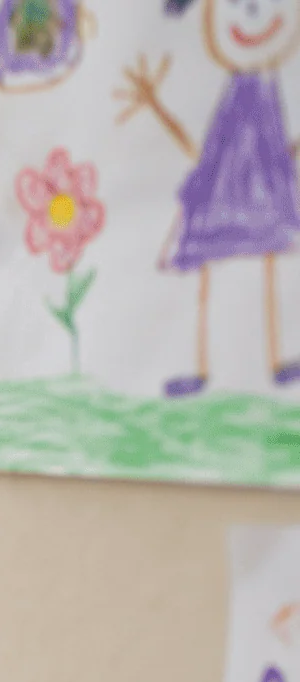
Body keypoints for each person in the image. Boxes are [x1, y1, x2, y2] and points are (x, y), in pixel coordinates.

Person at [117, 0, 300, 395]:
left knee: (266, 264)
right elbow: (205, 150)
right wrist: (156, 106)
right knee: (208, 275)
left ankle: (276, 359)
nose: (253, 15)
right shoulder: (235, 102)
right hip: (222, 196)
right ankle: (200, 367)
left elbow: (279, 148)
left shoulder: (268, 95)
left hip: (261, 196)